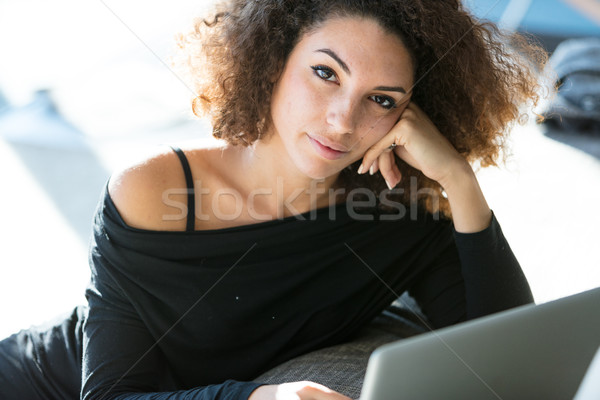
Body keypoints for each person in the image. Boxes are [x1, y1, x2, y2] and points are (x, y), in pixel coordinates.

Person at [0, 0, 546, 399]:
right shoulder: (156, 190)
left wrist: (459, 181)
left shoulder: (400, 211)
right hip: (38, 382)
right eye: (325, 73)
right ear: (273, 62)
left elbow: (514, 364)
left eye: (381, 99)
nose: (343, 120)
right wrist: (258, 398)